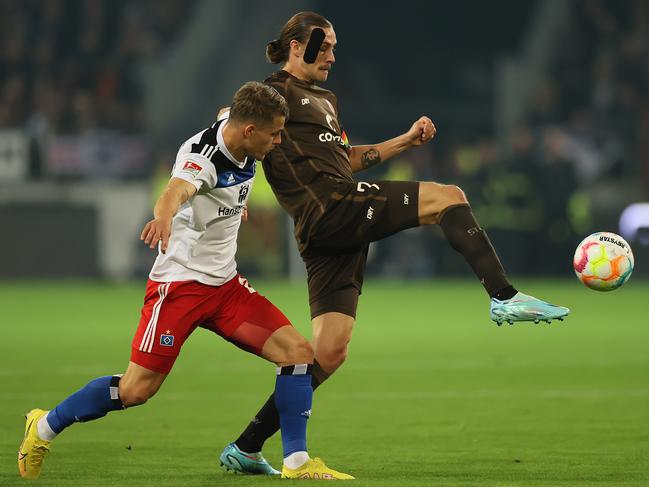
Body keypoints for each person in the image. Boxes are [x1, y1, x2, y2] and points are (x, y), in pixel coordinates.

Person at [219, 12, 570, 475]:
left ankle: (245, 447)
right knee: (449, 197)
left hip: (328, 227)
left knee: (328, 352)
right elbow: (229, 125)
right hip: (333, 208)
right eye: (324, 47)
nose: (333, 55)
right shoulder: (274, 92)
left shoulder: (324, 98)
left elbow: (345, 159)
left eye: (334, 47)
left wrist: (404, 141)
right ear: (298, 46)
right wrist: (228, 191)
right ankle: (503, 296)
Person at [17, 81, 353, 481]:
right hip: (178, 289)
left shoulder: (235, 125)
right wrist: (163, 216)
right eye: (275, 133)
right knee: (136, 390)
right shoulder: (203, 160)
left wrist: (233, 203)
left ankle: (296, 462)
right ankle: (43, 427)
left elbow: (223, 112)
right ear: (250, 131)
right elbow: (176, 190)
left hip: (226, 288)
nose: (279, 141)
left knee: (298, 353)